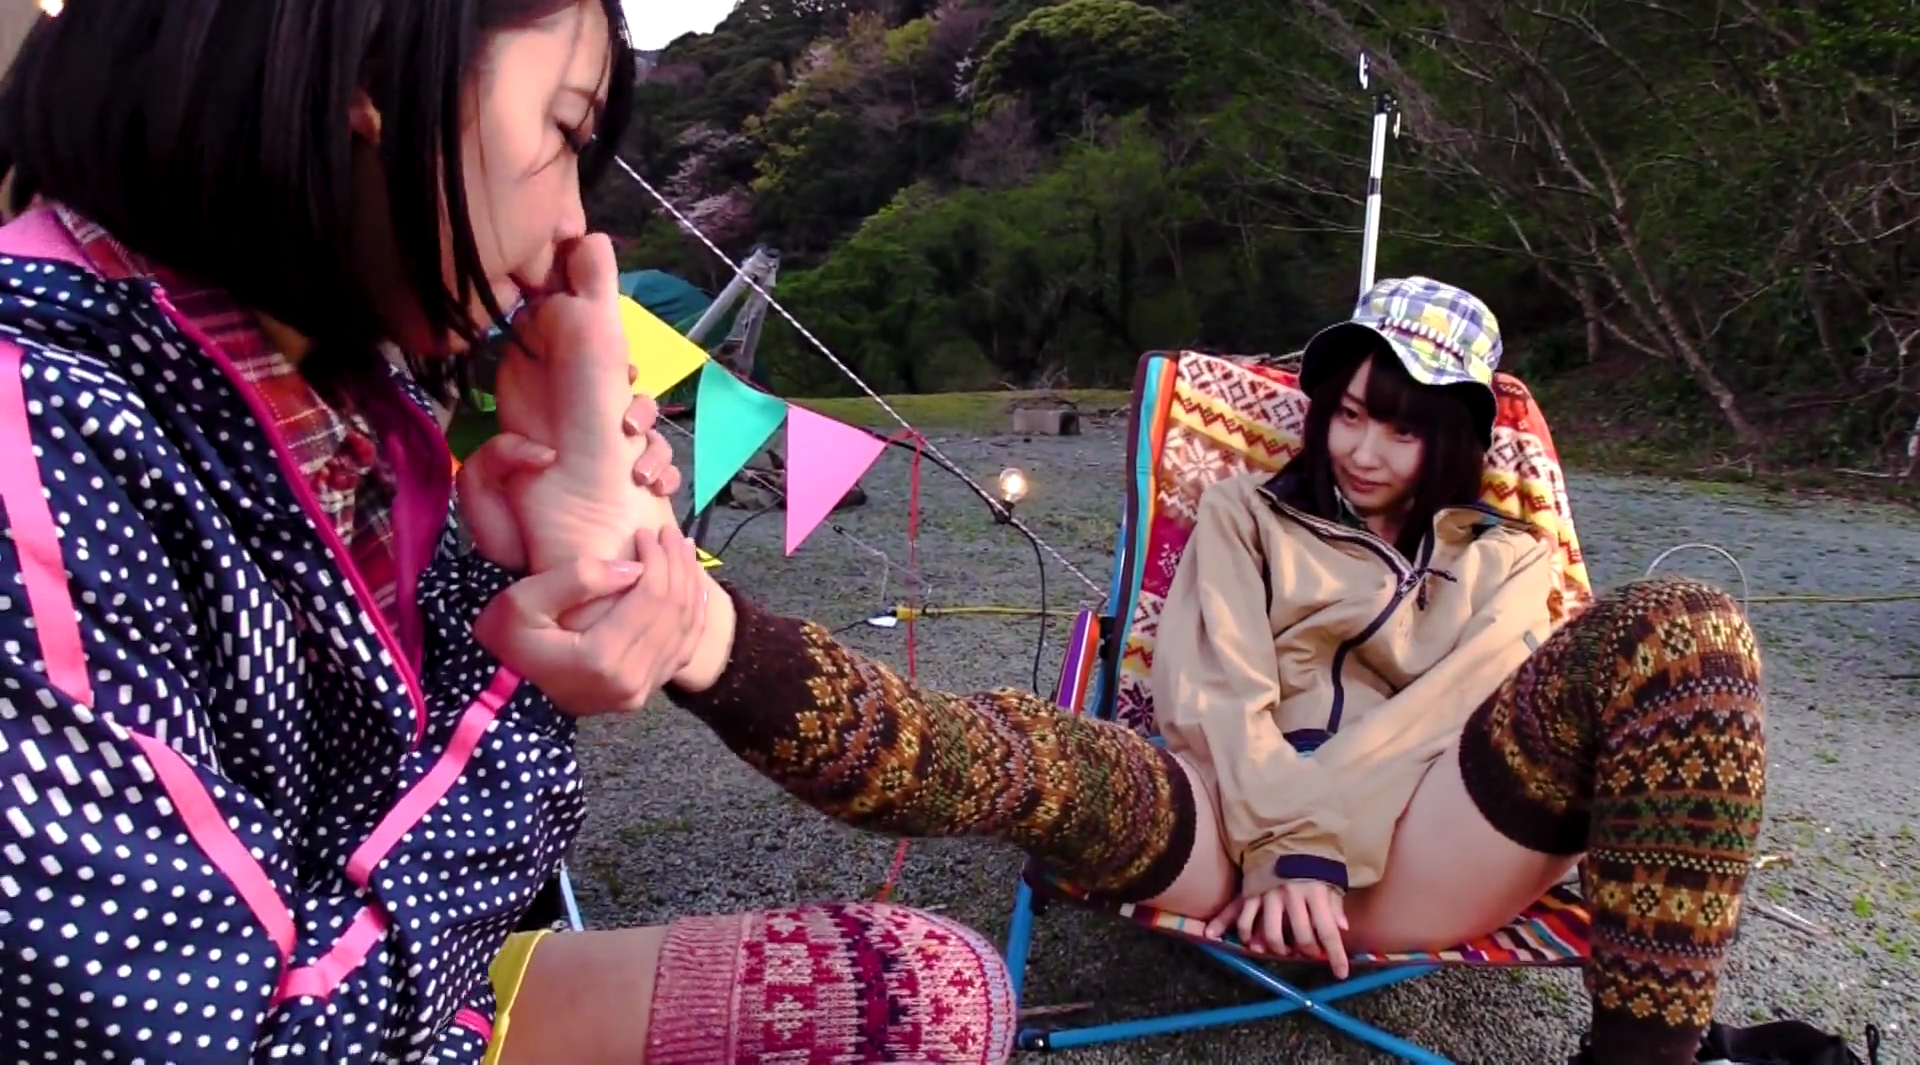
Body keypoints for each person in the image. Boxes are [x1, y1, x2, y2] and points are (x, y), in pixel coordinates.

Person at [0, 0, 1017, 1063]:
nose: (576, 226)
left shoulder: (340, 390)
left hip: (385, 986)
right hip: (312, 1025)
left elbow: (367, 777)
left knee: (923, 998)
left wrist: (523, 555)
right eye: (566, 131)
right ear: (372, 69)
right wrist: (525, 684)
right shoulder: (38, 450)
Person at [527, 277, 1765, 1065]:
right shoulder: (1244, 514)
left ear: (1455, 437)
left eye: (1403, 423)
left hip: (1436, 843)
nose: (1364, 447)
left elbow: (1449, 713)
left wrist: (1321, 845)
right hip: (1224, 822)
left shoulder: (1508, 558)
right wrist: (1282, 837)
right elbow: (1212, 687)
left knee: (1688, 628)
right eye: (1348, 410)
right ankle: (698, 633)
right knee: (1024, 754)